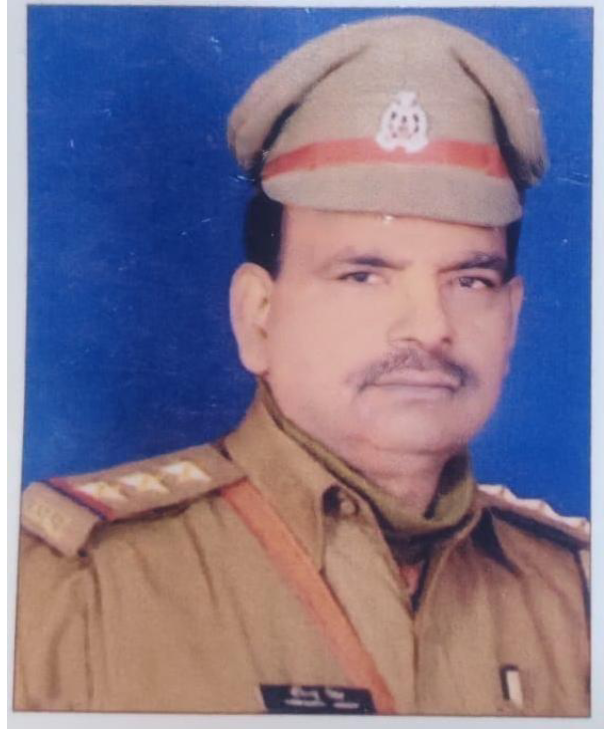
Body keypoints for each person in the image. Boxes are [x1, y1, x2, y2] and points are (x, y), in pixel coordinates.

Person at [14, 15, 589, 716]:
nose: (430, 326)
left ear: (512, 319)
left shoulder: (579, 598)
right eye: (363, 275)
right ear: (258, 316)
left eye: (469, 280)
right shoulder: (65, 588)